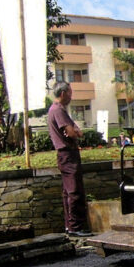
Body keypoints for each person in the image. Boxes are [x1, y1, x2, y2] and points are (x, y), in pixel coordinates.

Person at [47, 81, 92, 238]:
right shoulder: (58, 110)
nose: (72, 96)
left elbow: (73, 130)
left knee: (68, 191)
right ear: (63, 93)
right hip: (67, 153)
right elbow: (72, 132)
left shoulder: (57, 110)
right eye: (70, 93)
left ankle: (70, 225)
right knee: (74, 191)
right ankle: (75, 226)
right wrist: (76, 133)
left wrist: (75, 131)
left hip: (65, 154)